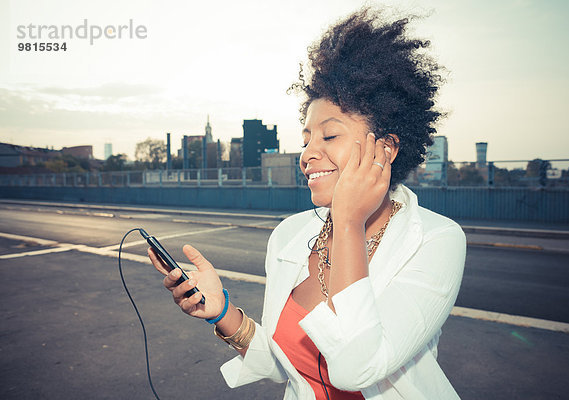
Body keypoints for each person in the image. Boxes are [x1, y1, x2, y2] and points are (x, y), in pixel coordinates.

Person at [148, 8, 466, 400]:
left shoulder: (436, 239)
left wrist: (348, 222)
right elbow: (286, 365)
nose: (307, 154)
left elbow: (357, 368)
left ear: (386, 148)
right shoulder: (290, 235)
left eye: (329, 136)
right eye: (305, 139)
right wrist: (221, 312)